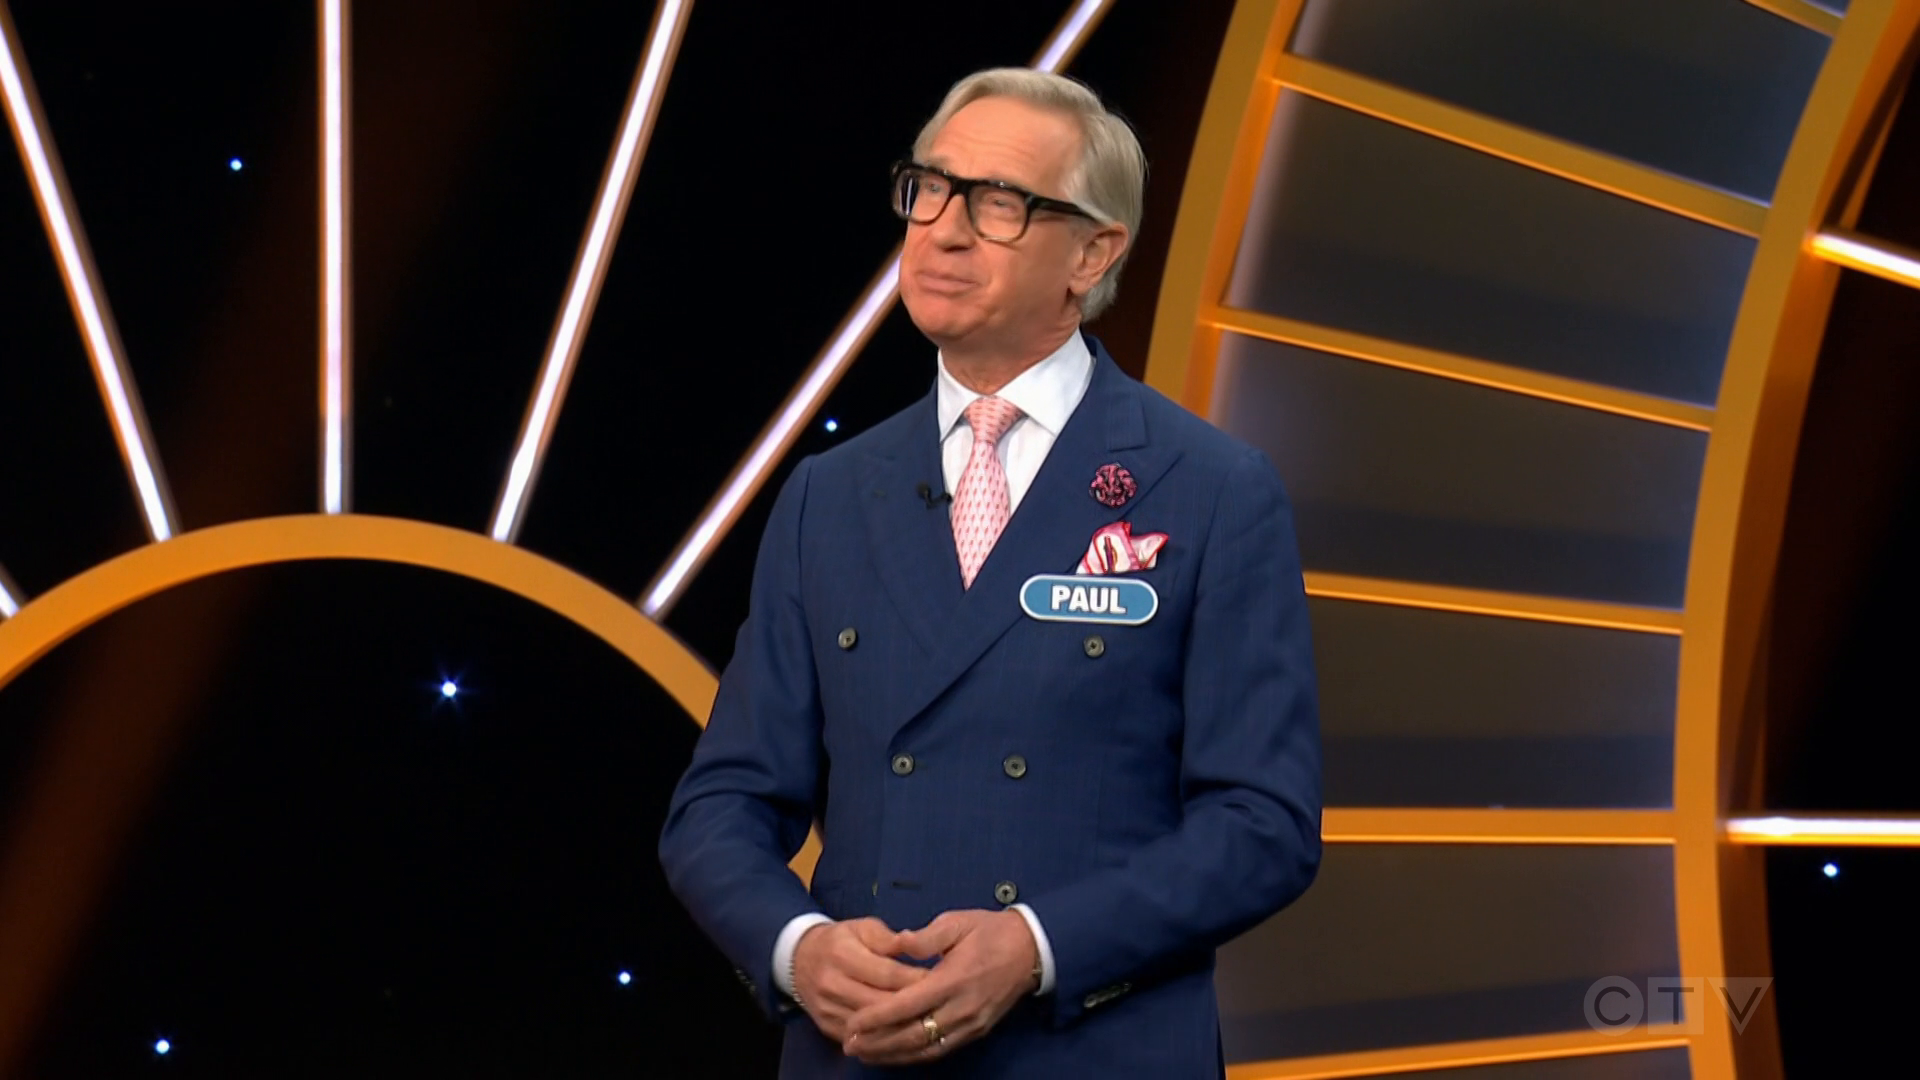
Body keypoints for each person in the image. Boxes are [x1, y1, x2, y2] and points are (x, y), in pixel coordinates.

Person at [659, 68, 1321, 1078]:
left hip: (1098, 1053)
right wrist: (799, 951)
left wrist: (1036, 947)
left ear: (1094, 252)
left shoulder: (1213, 489)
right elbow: (723, 804)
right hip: (862, 1051)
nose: (944, 232)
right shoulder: (828, 495)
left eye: (998, 204)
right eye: (929, 189)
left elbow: (1262, 824)